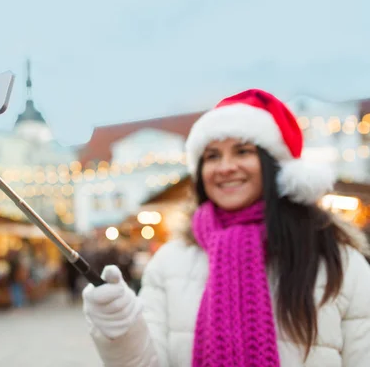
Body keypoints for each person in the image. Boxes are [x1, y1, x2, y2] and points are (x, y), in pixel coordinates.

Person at [82, 89, 370, 366]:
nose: (225, 167)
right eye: (212, 156)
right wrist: (121, 331)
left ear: (274, 165)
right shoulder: (170, 263)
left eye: (242, 151)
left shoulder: (339, 263)